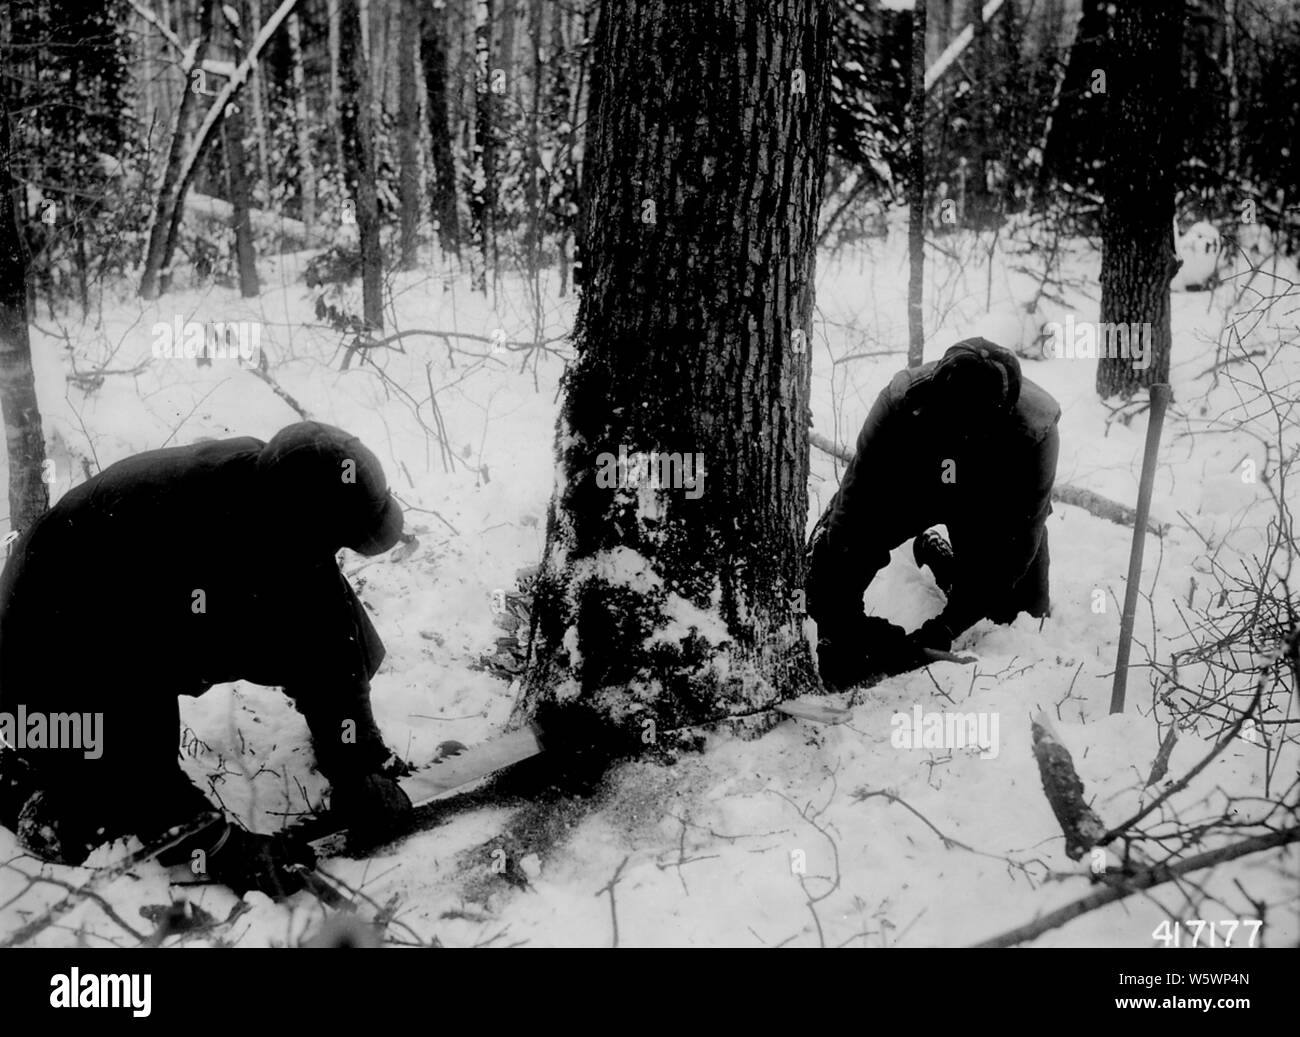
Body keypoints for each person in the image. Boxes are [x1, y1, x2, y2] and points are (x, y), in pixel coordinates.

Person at [0, 422, 411, 896]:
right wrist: (215, 844)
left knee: (335, 622)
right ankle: (17, 782)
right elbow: (132, 710)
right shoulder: (164, 542)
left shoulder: (277, 502)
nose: (332, 554)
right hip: (50, 645)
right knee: (93, 817)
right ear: (297, 525)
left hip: (160, 615)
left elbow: (325, 630)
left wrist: (357, 762)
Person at [807, 339, 1061, 689]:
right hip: (915, 486)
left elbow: (1013, 553)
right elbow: (855, 510)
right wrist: (841, 620)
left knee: (1013, 616)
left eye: (977, 426)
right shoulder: (900, 403)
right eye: (956, 419)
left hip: (985, 503)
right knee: (821, 581)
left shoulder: (1034, 432)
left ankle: (948, 566)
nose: (965, 434)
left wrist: (946, 627)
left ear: (1003, 413)